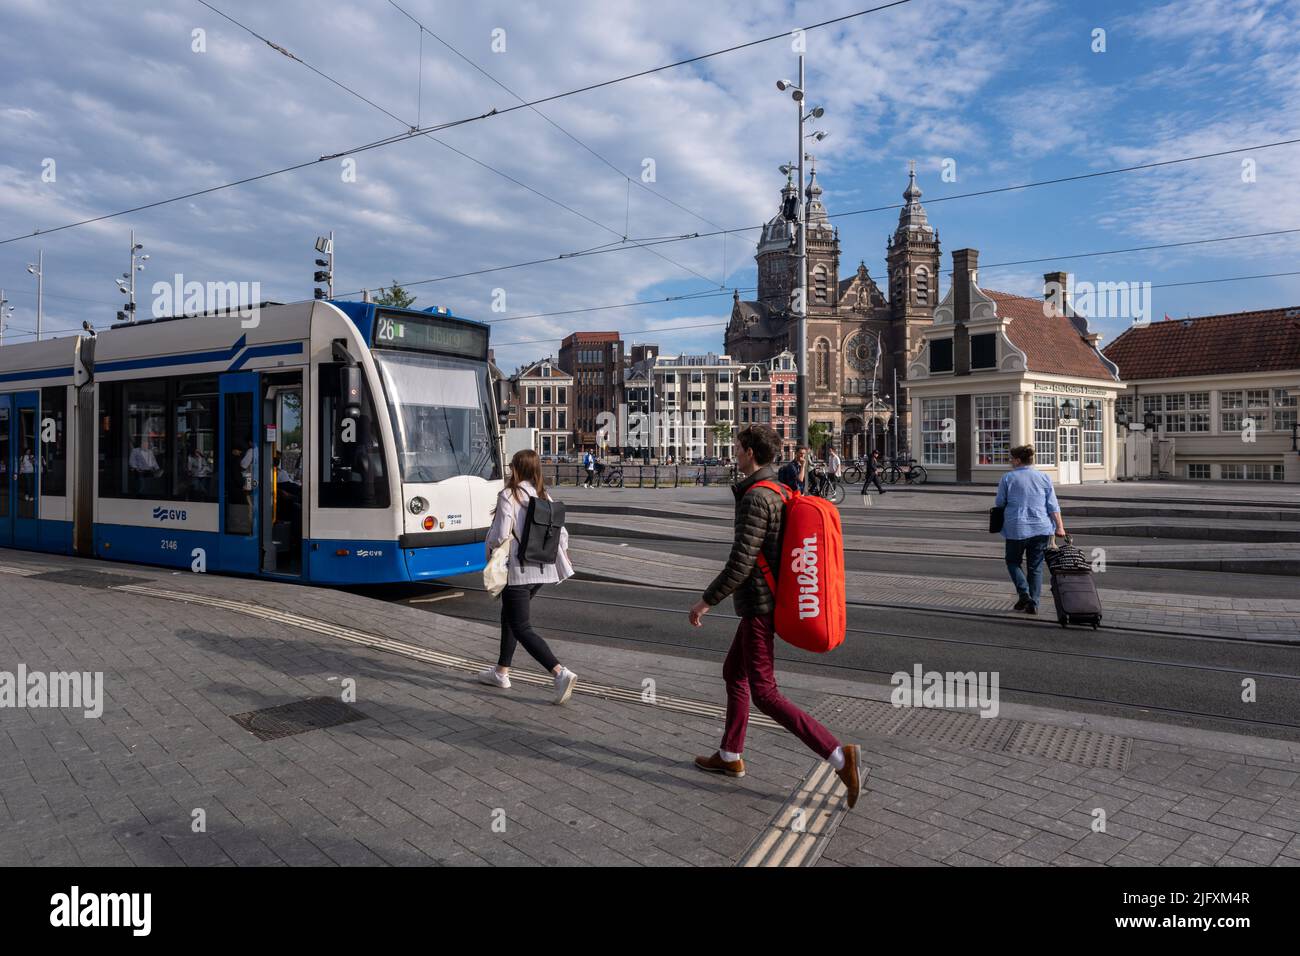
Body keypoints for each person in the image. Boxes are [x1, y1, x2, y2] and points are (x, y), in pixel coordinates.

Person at [687, 425, 861, 808]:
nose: (734, 452)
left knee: (765, 693)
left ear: (749, 452)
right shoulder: (780, 490)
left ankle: (837, 754)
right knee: (734, 673)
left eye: (736, 447)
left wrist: (705, 601)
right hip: (766, 600)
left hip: (759, 605)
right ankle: (730, 756)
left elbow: (742, 562)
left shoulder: (755, 497)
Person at [481, 449, 580, 704]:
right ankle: (501, 672)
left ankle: (559, 673)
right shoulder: (544, 495)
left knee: (522, 626)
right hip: (541, 571)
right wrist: (565, 555)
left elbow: (501, 534)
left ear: (515, 468)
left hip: (516, 570)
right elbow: (563, 533)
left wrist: (488, 546)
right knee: (509, 617)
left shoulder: (509, 495)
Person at [995, 444, 1066, 615]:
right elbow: (1053, 505)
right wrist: (1060, 528)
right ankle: (1033, 602)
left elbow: (999, 503)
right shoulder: (1044, 477)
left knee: (1012, 562)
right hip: (1042, 528)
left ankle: (1024, 593)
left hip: (1016, 528)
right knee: (1035, 567)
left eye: (1012, 459)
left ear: (1018, 460)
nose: (1010, 462)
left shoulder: (1008, 478)